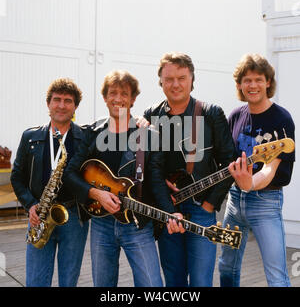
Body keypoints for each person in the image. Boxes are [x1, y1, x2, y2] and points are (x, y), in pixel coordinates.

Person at [64, 70, 172, 287]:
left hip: (137, 224)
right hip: (101, 223)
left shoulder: (149, 136)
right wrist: (95, 194)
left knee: (152, 285)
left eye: (124, 94)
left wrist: (171, 212)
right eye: (113, 93)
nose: (118, 99)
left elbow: (157, 181)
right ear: (104, 97)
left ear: (133, 99)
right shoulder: (93, 133)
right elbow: (69, 173)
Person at [143, 52, 236, 287]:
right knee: (173, 279)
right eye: (169, 79)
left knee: (201, 282)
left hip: (201, 209)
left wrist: (210, 204)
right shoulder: (150, 115)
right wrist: (165, 206)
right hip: (166, 208)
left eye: (181, 78)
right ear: (160, 82)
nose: (175, 84)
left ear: (192, 79)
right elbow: (146, 165)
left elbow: (229, 163)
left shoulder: (211, 113)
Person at [218, 53, 295, 287]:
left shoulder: (282, 119)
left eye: (258, 79)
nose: (253, 85)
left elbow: (270, 169)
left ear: (268, 82)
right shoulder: (235, 116)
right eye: (247, 80)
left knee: (276, 276)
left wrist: (250, 183)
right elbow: (226, 161)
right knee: (226, 268)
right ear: (240, 84)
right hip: (233, 202)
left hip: (266, 201)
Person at [10, 78, 89, 287]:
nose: (61, 105)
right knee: (35, 281)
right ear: (48, 104)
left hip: (73, 217)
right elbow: (16, 177)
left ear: (75, 106)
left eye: (68, 101)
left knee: (68, 281)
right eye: (56, 100)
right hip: (40, 214)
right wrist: (30, 204)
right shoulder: (30, 137)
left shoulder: (85, 138)